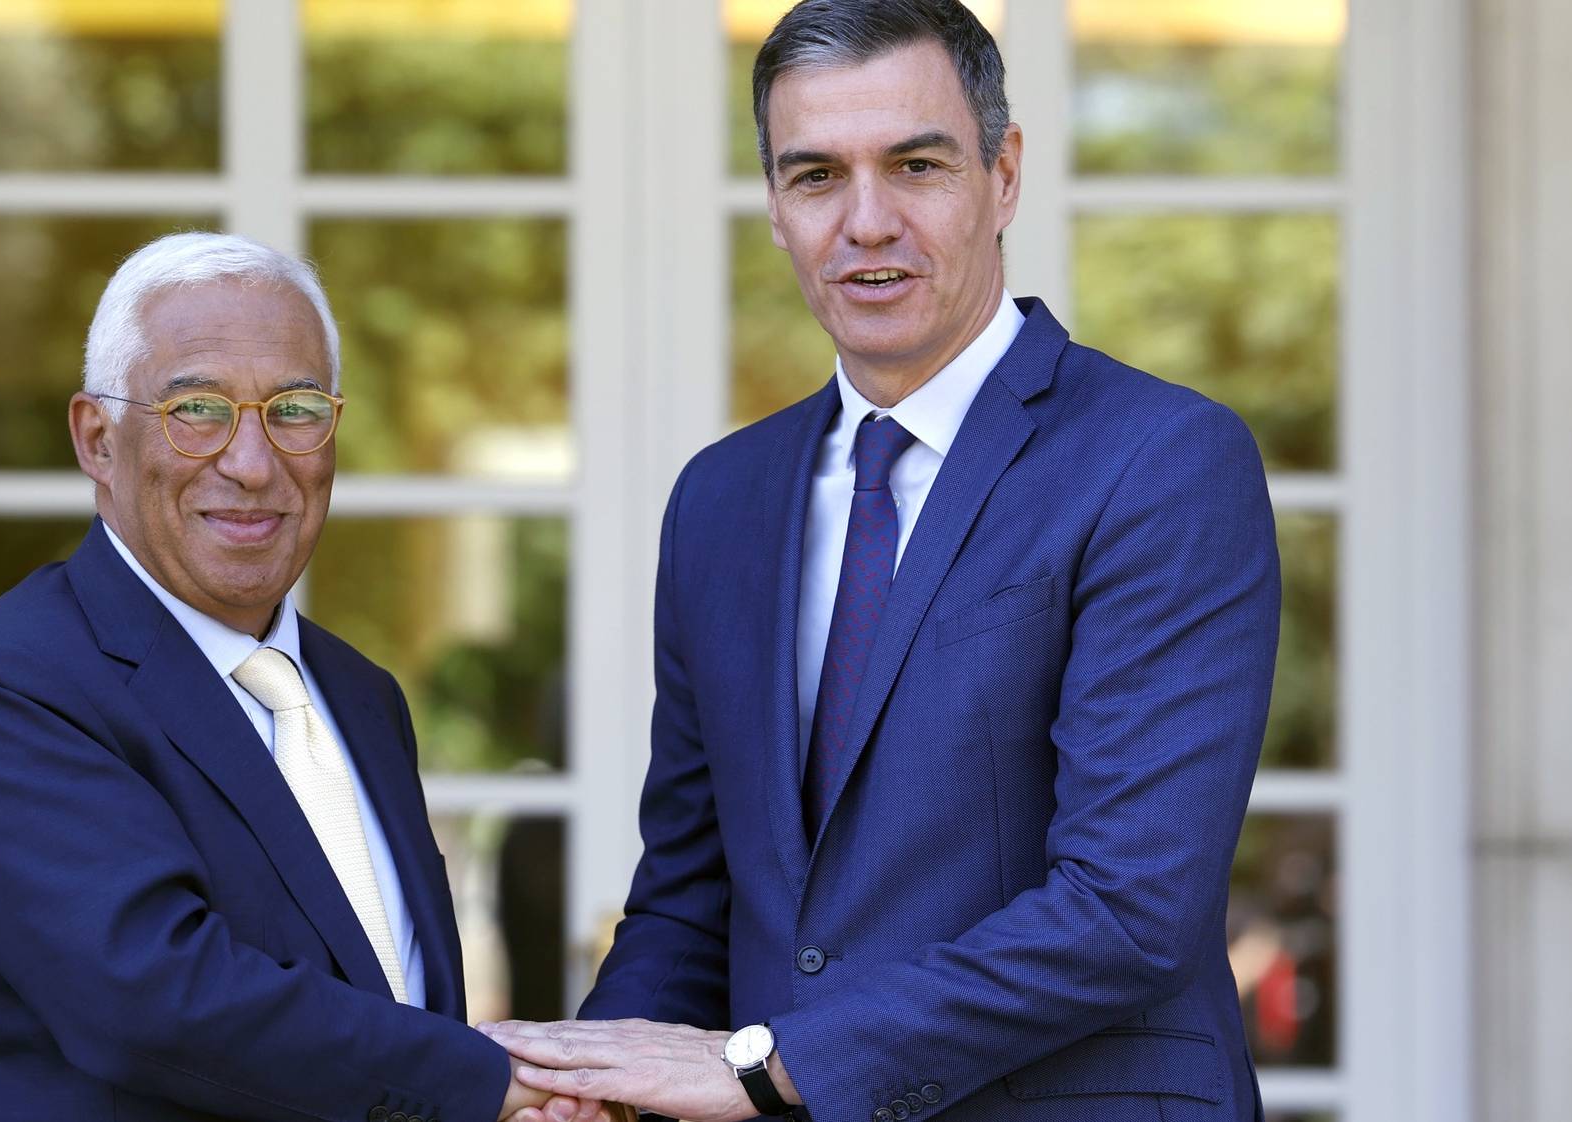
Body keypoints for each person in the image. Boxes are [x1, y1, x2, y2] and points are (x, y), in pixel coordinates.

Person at [482, 2, 1280, 1120]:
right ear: (773, 205)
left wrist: (761, 1068)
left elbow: (1125, 907)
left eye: (914, 165)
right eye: (814, 177)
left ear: (1002, 175)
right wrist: (591, 1084)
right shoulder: (720, 500)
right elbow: (690, 893)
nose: (865, 222)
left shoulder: (1158, 460)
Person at [0, 232, 570, 1121]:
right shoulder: (8, 688)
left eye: (293, 409)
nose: (253, 464)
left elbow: (389, 1000)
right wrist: (490, 1083)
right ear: (97, 439)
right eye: (198, 411)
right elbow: (151, 999)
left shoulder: (361, 697)